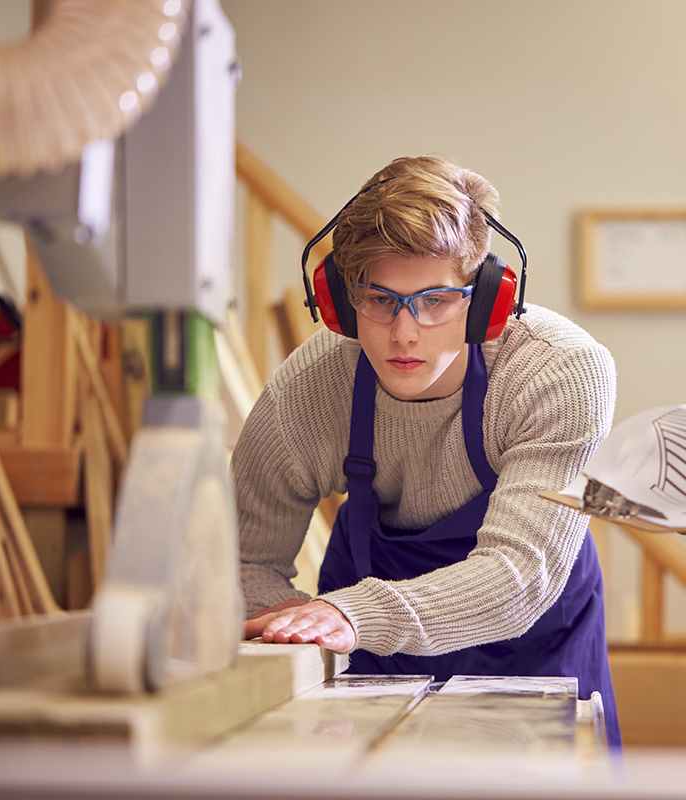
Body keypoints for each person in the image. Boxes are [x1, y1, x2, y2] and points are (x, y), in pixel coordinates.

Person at [231, 155, 621, 747]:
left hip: (534, 649)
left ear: (487, 298)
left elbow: (515, 578)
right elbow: (243, 562)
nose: (404, 332)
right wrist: (294, 631)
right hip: (368, 653)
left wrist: (352, 614)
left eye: (435, 299)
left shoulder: (559, 372)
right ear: (338, 300)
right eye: (378, 299)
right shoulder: (310, 390)